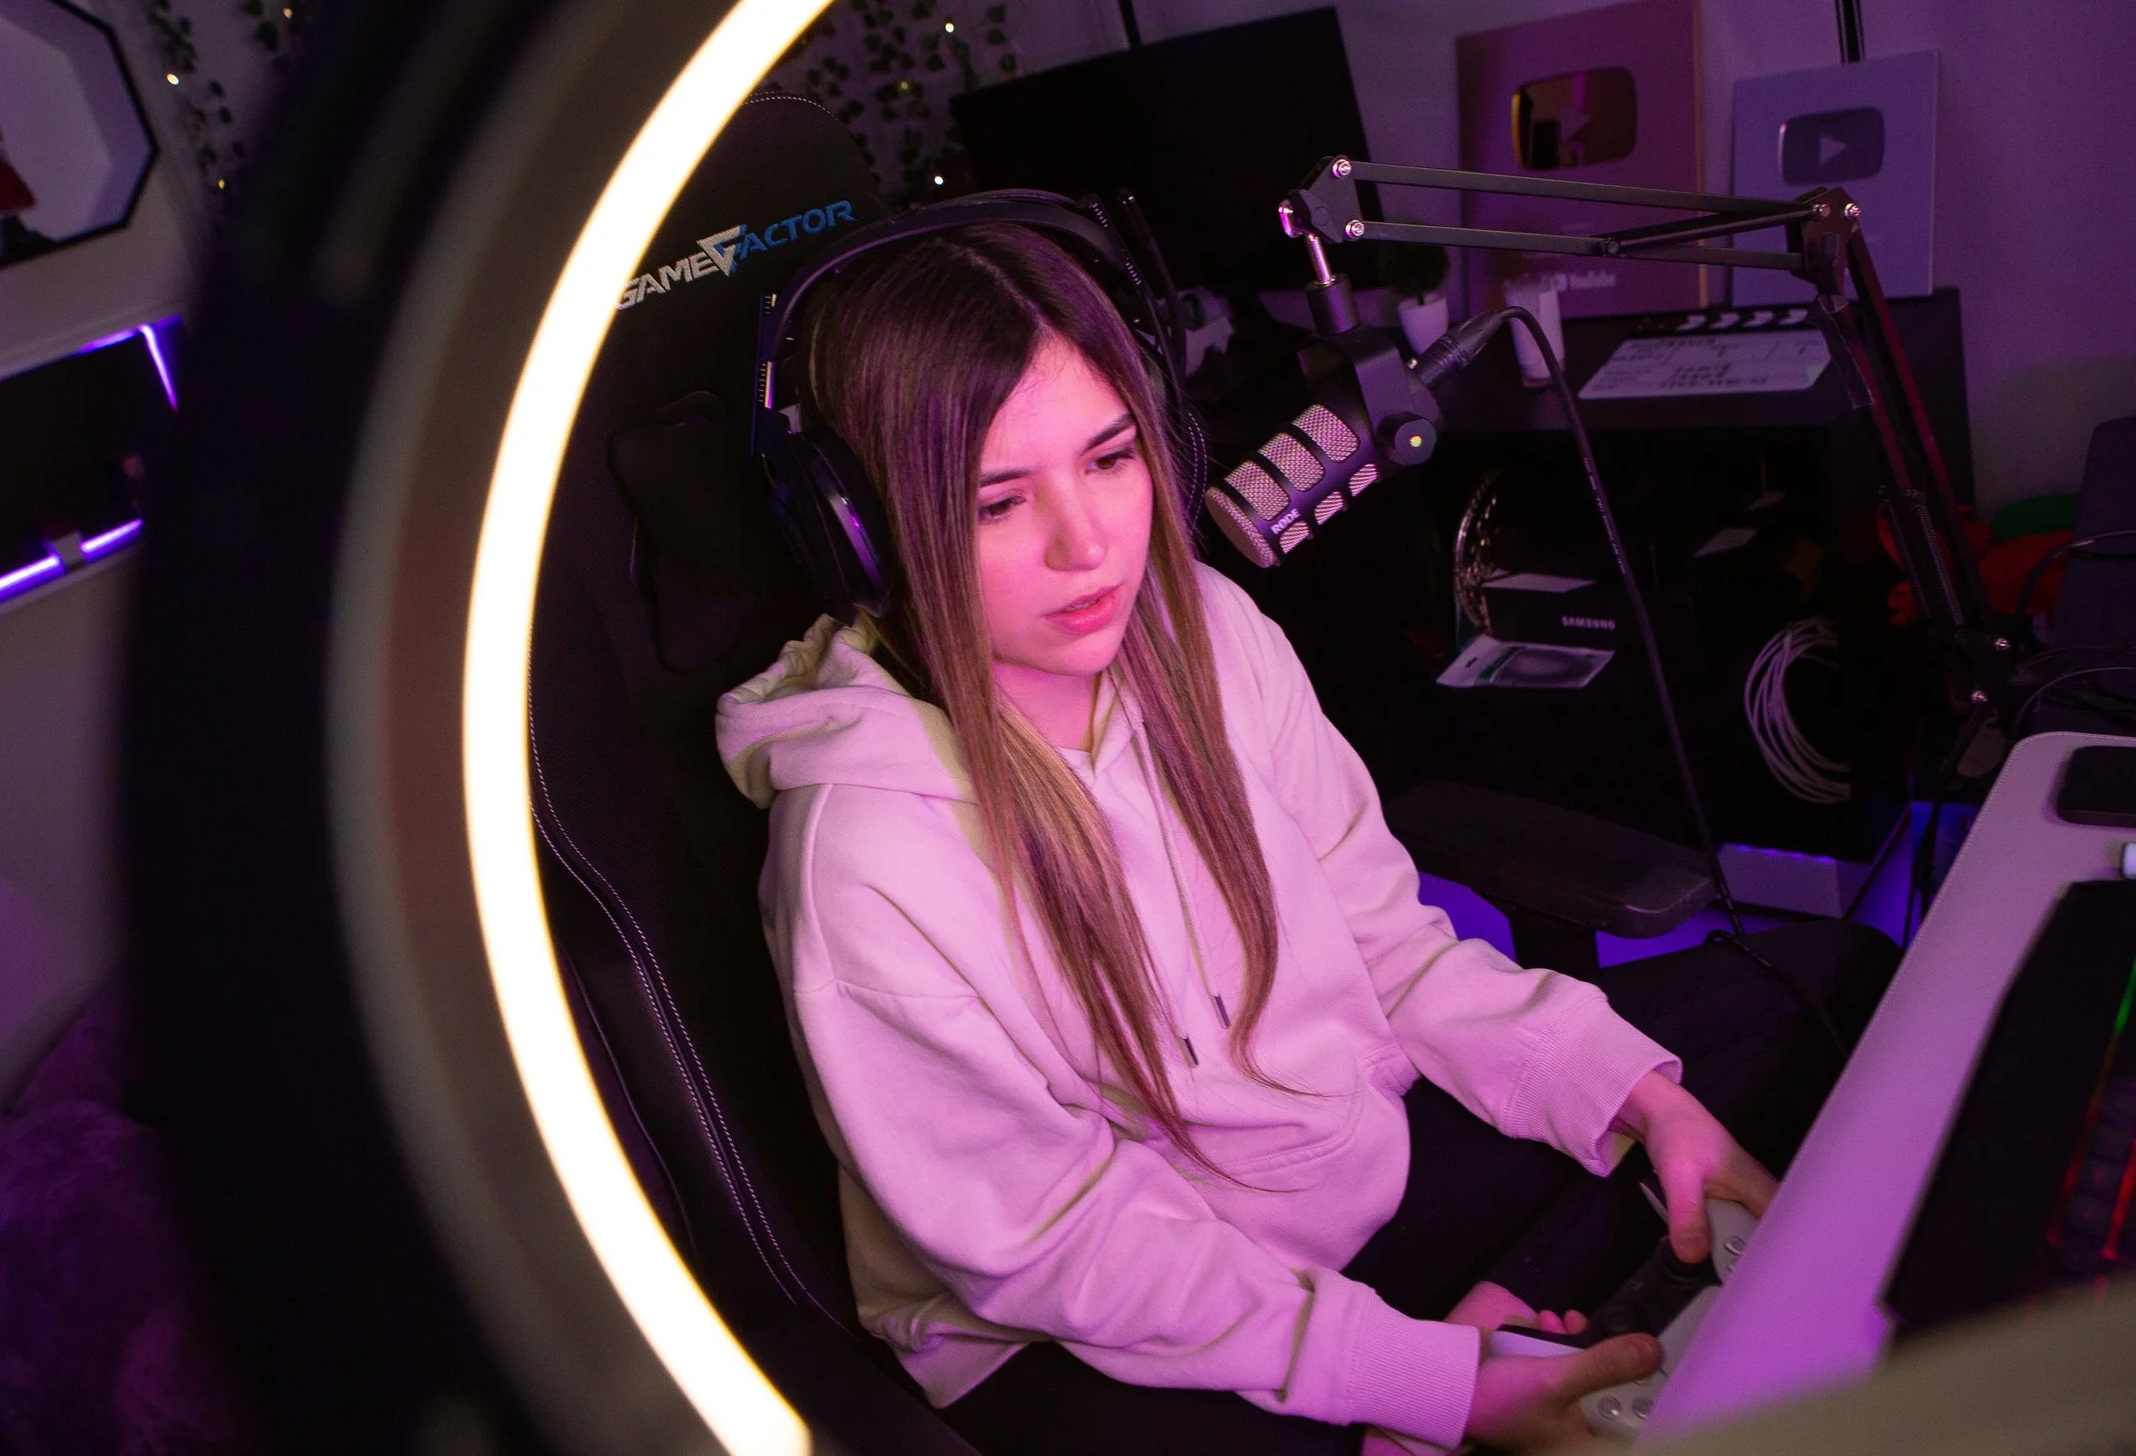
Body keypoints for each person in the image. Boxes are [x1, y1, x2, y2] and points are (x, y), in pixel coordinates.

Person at [715, 224, 1893, 1454]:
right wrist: (1421, 1375)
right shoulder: (862, 854)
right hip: (1084, 1314)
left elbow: (1392, 952)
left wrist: (1645, 1101)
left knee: (1821, 988)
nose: (1089, 544)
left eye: (1110, 456)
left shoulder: (1208, 630)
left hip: (1333, 1172)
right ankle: (1479, 1354)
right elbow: (1065, 1245)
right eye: (997, 501)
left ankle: (1489, 1328)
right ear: (865, 533)